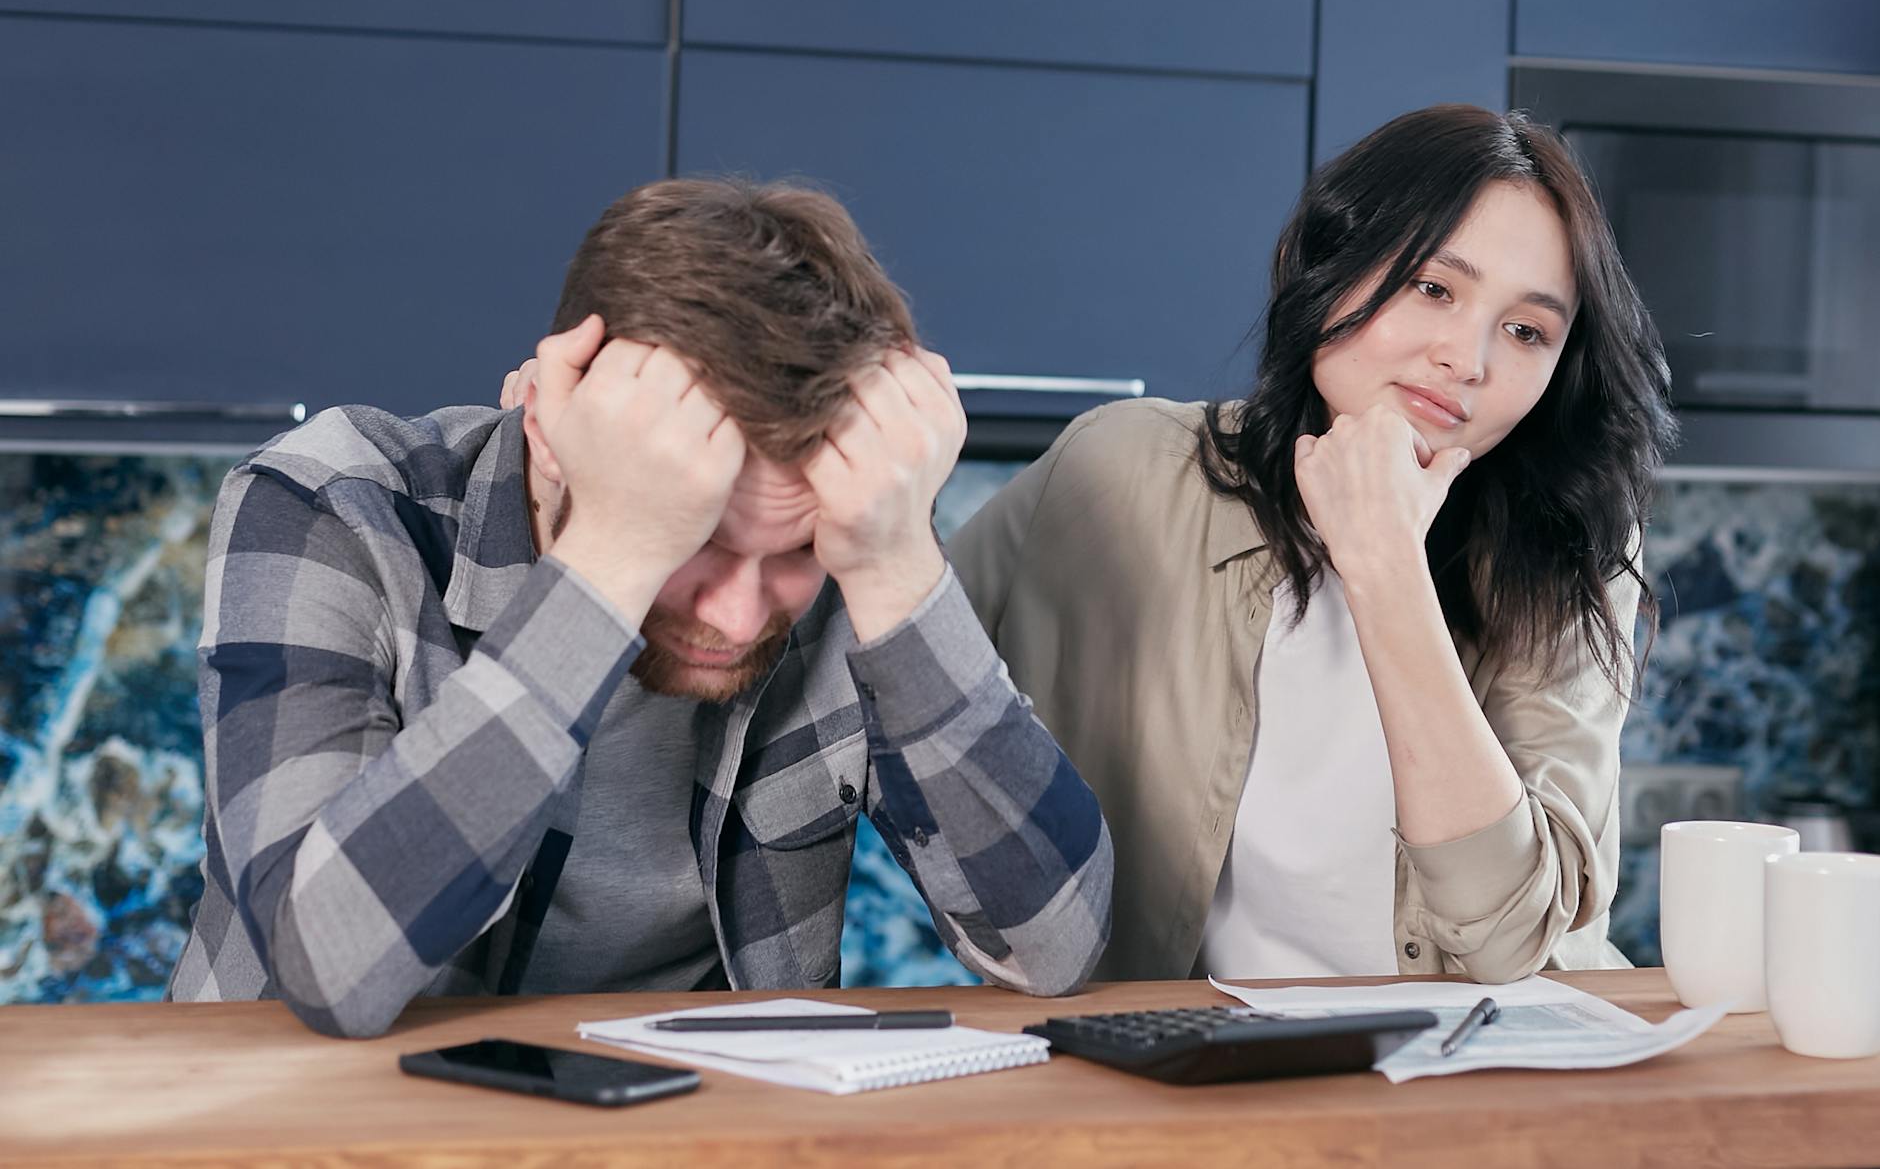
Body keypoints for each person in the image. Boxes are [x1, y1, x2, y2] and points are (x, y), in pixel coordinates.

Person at [166, 179, 1112, 1038]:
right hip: (315, 1126)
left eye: (789, 556)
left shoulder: (855, 537)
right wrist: (614, 554)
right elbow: (330, 971)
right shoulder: (331, 502)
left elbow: (1053, 948)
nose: (740, 619)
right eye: (692, 542)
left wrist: (898, 561)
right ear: (549, 431)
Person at [949, 105, 1676, 983]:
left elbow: (1506, 943)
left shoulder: (1572, 547)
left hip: (1483, 1086)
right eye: (1435, 288)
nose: (1469, 358)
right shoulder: (1122, 467)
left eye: (1526, 331)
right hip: (1186, 1085)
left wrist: (1387, 567)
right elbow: (884, 669)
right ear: (1332, 263)